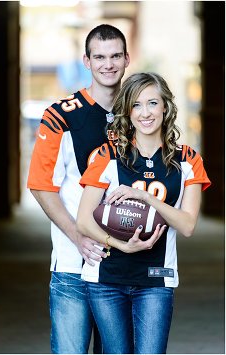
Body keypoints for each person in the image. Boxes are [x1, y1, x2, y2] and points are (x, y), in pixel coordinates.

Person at [76, 72, 210, 354]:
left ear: (166, 107)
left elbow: (187, 225)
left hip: (156, 280)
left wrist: (146, 197)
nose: (145, 113)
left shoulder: (188, 159)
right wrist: (121, 244)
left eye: (152, 103)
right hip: (107, 279)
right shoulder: (107, 155)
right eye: (136, 105)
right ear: (127, 111)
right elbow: (84, 220)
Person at [27, 24, 130, 353]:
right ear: (86, 61)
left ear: (127, 59)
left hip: (126, 268)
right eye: (99, 57)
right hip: (74, 265)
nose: (108, 64)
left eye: (115, 56)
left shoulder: (140, 115)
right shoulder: (61, 116)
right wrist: (78, 237)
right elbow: (40, 186)